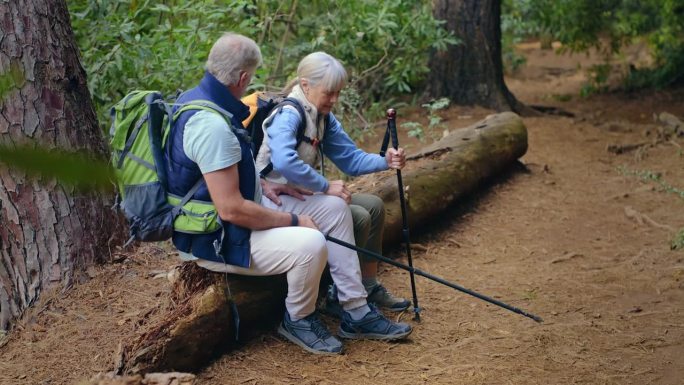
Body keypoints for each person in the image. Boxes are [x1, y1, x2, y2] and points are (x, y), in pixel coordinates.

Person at [165, 33, 411, 355]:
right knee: (312, 241)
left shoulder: (204, 104)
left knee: (338, 210)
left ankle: (355, 308)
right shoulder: (212, 124)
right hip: (216, 237)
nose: (334, 99)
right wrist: (294, 218)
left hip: (240, 212)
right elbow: (231, 210)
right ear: (243, 77)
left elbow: (229, 177)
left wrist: (266, 184)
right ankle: (299, 318)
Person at [255, 51, 410, 315]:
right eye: (329, 93)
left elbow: (350, 159)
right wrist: (325, 187)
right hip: (272, 200)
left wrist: (385, 161)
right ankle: (339, 296)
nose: (334, 99)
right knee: (357, 215)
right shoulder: (289, 114)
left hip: (300, 196)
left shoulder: (322, 116)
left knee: (373, 205)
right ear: (305, 85)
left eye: (338, 92)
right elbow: (284, 161)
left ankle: (368, 284)